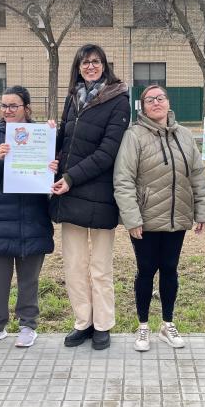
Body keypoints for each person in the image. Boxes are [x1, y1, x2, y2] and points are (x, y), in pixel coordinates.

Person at [114, 84, 205, 352]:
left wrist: (202, 210)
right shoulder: (134, 136)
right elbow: (123, 179)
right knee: (146, 270)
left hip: (177, 216)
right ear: (143, 107)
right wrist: (132, 218)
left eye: (160, 98)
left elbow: (197, 175)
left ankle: (167, 324)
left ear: (168, 102)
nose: (156, 103)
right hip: (145, 219)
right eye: (149, 100)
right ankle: (143, 326)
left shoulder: (185, 135)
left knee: (170, 269)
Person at [50, 43, 131, 350]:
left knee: (100, 267)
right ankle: (83, 321)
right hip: (69, 194)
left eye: (96, 62)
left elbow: (108, 152)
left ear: (104, 65)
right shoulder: (73, 98)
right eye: (85, 63)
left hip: (99, 195)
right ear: (78, 68)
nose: (90, 66)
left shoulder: (118, 100)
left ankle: (102, 325)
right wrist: (50, 141)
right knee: (74, 265)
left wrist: (71, 178)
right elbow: (66, 141)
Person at [0, 86, 57, 348]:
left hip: (33, 220)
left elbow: (57, 172)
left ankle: (28, 325)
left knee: (29, 279)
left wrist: (54, 164)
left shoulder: (41, 136)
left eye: (13, 106)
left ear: (26, 109)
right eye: (4, 105)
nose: (7, 110)